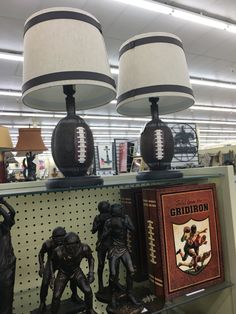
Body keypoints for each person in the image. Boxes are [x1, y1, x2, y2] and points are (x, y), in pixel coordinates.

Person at [101, 204, 139, 310]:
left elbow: (133, 229)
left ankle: (129, 293)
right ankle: (113, 296)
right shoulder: (108, 221)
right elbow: (103, 236)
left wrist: (126, 222)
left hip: (123, 248)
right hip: (114, 249)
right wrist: (109, 230)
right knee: (113, 274)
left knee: (131, 271)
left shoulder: (125, 218)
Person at [50, 232, 97, 314]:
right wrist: (52, 277)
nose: (72, 248)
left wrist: (91, 273)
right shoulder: (58, 252)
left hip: (76, 271)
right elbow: (51, 263)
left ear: (79, 243)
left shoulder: (84, 248)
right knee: (56, 297)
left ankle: (89, 309)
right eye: (69, 246)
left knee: (88, 291)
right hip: (63, 273)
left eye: (75, 245)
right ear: (64, 245)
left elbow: (91, 259)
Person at [38, 227, 81, 313]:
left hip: (63, 262)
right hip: (51, 262)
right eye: (57, 239)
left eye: (62, 238)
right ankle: (42, 302)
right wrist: (42, 266)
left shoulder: (68, 242)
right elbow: (40, 254)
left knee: (73, 278)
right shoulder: (48, 244)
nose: (59, 241)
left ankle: (74, 295)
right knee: (45, 282)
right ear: (52, 238)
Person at [0, 198, 16, 314]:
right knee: (5, 295)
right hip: (4, 266)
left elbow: (11, 213)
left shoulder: (4, 228)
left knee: (7, 295)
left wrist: (3, 202)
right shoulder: (4, 229)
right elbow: (7, 215)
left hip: (7, 265)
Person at [91, 201, 111, 293]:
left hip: (109, 243)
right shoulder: (98, 218)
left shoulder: (111, 216)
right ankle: (100, 285)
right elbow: (93, 230)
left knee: (112, 265)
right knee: (101, 265)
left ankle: (112, 284)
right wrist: (100, 223)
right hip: (102, 243)